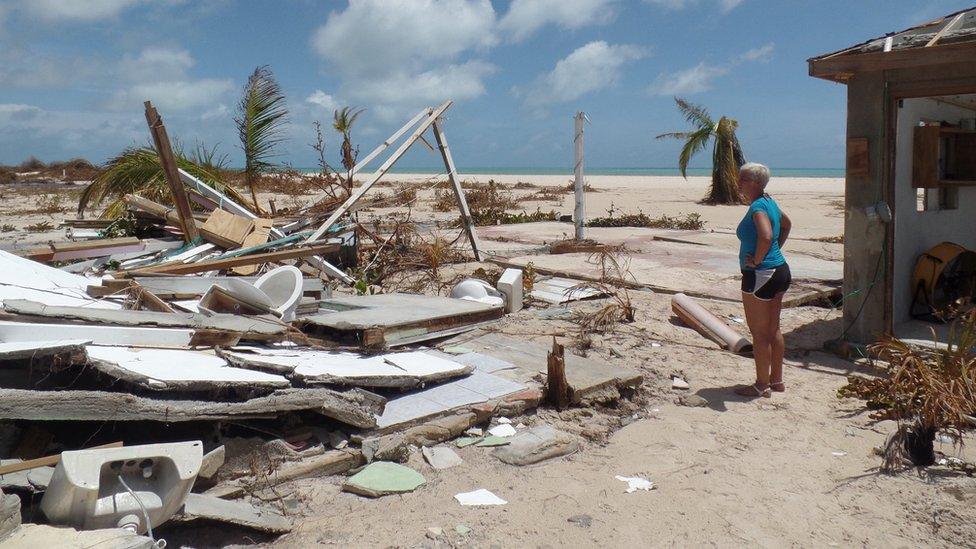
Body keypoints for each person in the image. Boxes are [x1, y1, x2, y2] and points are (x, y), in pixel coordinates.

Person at [733, 163, 791, 398]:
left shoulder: (758, 207)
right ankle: (776, 381)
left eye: (743, 179)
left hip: (761, 275)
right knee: (773, 329)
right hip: (779, 270)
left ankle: (760, 384)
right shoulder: (770, 202)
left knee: (759, 332)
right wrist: (773, 253)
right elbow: (786, 225)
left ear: (756, 183)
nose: (738, 183)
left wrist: (758, 260)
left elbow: (766, 236)